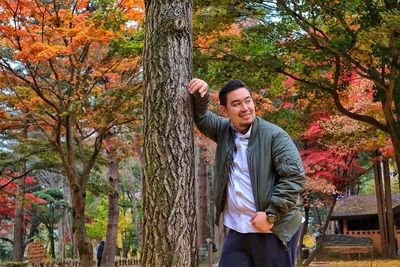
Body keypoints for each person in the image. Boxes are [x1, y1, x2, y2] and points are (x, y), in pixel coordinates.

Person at [188, 78, 306, 267]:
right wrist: (200, 95)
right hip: (238, 229)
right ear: (225, 111)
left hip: (272, 229)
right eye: (236, 104)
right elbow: (202, 118)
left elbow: (295, 178)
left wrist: (271, 215)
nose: (245, 108)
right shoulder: (224, 131)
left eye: (247, 100)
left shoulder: (275, 136)